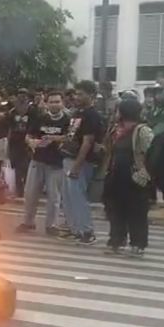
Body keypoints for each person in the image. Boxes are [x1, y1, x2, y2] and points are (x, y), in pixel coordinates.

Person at [16, 90, 71, 235]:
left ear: (63, 103)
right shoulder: (40, 118)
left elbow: (70, 138)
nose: (54, 105)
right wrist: (31, 142)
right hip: (37, 160)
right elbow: (28, 135)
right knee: (30, 194)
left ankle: (51, 225)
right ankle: (28, 222)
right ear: (46, 103)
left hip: (56, 163)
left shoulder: (68, 120)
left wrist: (53, 139)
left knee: (54, 196)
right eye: (51, 102)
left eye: (57, 101)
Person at [103, 99, 153, 258]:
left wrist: (147, 173)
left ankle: (138, 244)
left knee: (137, 212)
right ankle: (116, 241)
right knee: (115, 210)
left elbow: (151, 154)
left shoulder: (142, 131)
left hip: (135, 178)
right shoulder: (116, 130)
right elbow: (109, 151)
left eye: (117, 110)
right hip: (116, 176)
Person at [59, 80, 104, 245]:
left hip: (80, 161)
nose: (76, 97)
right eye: (76, 94)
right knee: (68, 197)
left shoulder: (92, 115)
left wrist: (77, 165)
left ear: (91, 96)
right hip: (68, 158)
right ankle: (75, 229)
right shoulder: (77, 113)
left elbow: (88, 141)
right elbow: (72, 136)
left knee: (78, 197)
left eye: (80, 94)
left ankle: (87, 231)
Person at [7, 88, 38, 197]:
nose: (22, 97)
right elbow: (10, 126)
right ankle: (19, 191)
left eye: (24, 95)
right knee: (16, 167)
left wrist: (31, 138)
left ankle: (28, 190)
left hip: (28, 142)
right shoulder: (12, 111)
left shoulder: (33, 111)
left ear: (28, 97)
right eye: (20, 94)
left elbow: (35, 125)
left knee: (27, 167)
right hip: (15, 143)